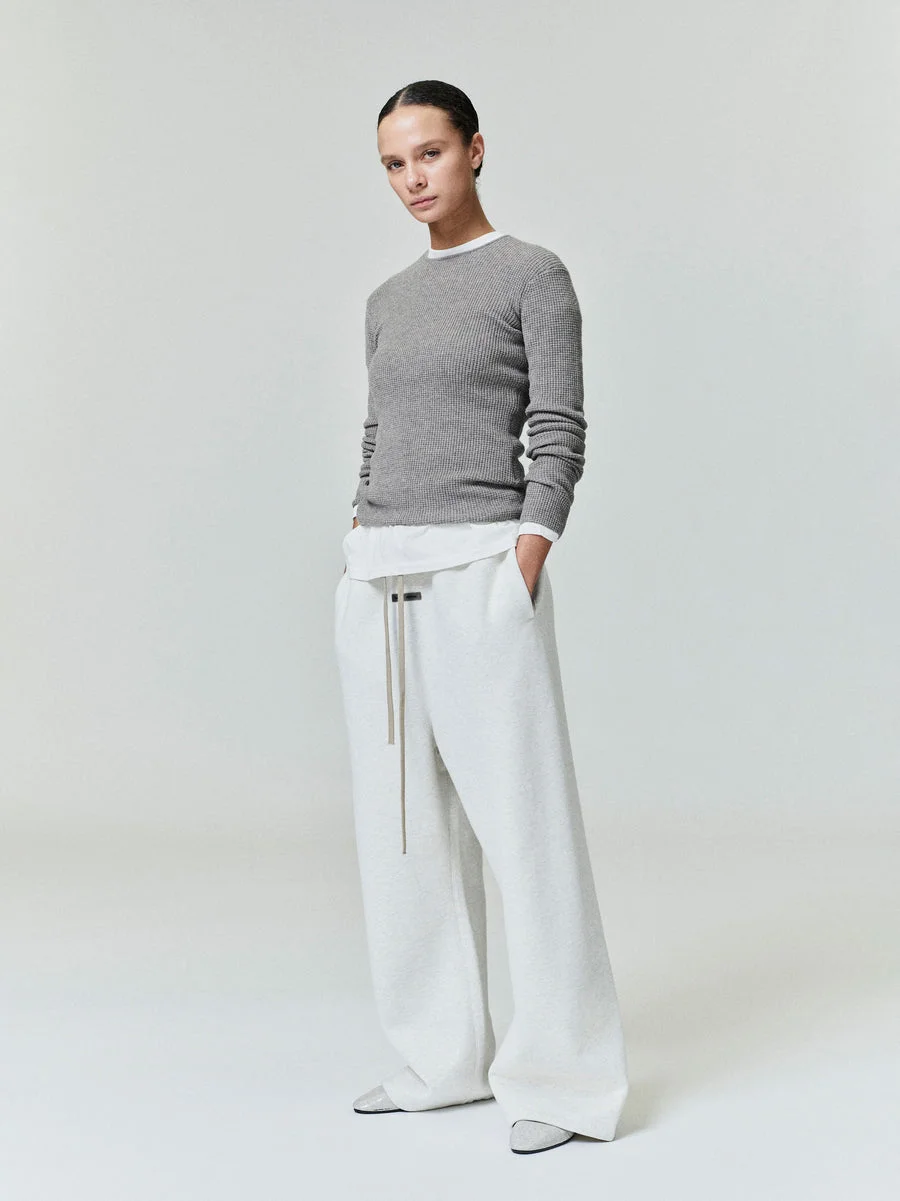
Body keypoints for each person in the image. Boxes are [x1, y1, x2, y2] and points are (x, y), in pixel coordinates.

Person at [333, 79, 628, 1155]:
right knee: (402, 834)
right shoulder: (385, 300)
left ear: (475, 150)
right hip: (379, 578)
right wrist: (359, 518)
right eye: (393, 163)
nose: (413, 178)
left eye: (429, 153)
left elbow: (558, 423)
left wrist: (527, 557)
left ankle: (565, 1077)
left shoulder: (531, 275)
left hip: (480, 569)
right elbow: (381, 430)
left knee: (525, 829)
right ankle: (442, 1057)